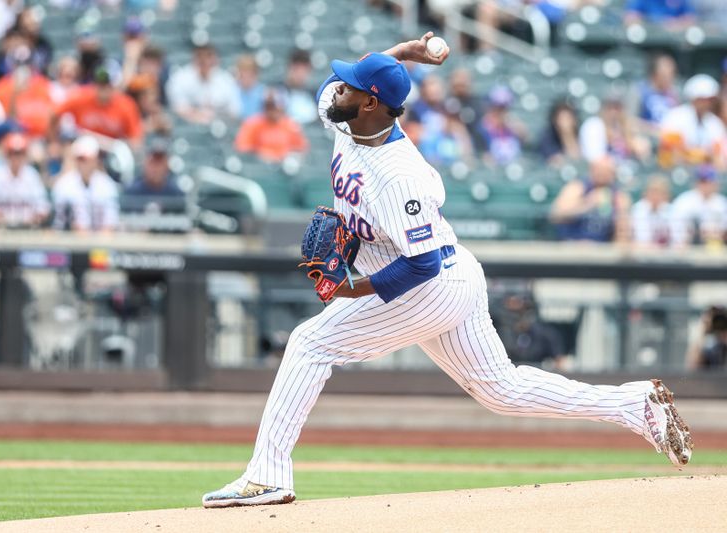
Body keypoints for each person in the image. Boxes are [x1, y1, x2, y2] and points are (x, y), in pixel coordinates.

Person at [202, 33, 693, 509]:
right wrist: (400, 56)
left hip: (432, 285)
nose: (338, 90)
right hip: (452, 274)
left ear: (372, 103)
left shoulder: (400, 176)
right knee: (503, 391)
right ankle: (634, 406)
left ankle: (266, 476)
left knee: (310, 344)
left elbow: (422, 263)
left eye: (351, 85)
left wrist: (354, 290)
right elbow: (332, 91)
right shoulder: (346, 117)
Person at [52, 68, 144, 149]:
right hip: (84, 147)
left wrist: (123, 147)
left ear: (113, 86)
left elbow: (136, 139)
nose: (103, 89)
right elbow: (55, 113)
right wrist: (53, 142)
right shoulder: (81, 96)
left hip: (111, 150)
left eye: (106, 85)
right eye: (100, 85)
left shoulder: (125, 105)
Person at [550, 156, 632, 242]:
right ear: (592, 170)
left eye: (607, 172)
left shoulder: (619, 196)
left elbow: (623, 233)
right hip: (572, 243)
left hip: (601, 248)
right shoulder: (577, 188)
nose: (603, 175)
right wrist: (587, 204)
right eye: (600, 171)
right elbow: (556, 215)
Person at [0, 132, 50, 228]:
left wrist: (30, 220)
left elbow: (43, 208)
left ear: (25, 155)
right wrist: (4, 219)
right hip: (0, 229)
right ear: (6, 154)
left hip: (28, 230)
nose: (16, 157)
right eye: (13, 153)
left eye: (20, 153)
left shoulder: (32, 175)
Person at [52, 135, 119, 232]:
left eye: (86, 159)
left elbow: (110, 223)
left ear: (95, 159)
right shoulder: (63, 185)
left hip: (101, 243)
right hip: (70, 242)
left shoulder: (107, 185)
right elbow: (59, 223)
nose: (82, 163)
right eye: (80, 159)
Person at [659, 74, 726, 169]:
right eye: (702, 99)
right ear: (693, 98)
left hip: (706, 176)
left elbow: (719, 158)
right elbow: (671, 153)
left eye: (710, 100)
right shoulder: (676, 116)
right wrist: (700, 155)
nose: (706, 103)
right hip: (677, 171)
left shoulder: (715, 124)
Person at [165, 43, 241, 124]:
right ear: (194, 58)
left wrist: (213, 115)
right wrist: (198, 115)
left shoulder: (225, 80)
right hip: (189, 124)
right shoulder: (180, 78)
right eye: (200, 56)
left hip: (220, 124)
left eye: (209, 56)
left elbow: (234, 111)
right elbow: (177, 107)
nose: (204, 60)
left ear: (215, 59)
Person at [0, 46, 55, 138]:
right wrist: (15, 92)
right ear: (12, 64)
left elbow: (51, 114)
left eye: (26, 62)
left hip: (39, 136)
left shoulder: (43, 84)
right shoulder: (2, 86)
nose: (23, 67)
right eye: (19, 63)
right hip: (11, 135)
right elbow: (4, 119)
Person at [234, 88, 309, 163]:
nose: (273, 110)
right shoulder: (252, 123)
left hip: (283, 166)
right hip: (259, 166)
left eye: (275, 106)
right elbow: (242, 148)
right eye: (270, 106)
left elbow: (301, 149)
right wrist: (259, 155)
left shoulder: (290, 125)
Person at [579, 95, 650, 163]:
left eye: (617, 108)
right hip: (603, 171)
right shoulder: (594, 125)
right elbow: (595, 159)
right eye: (610, 108)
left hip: (625, 170)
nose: (613, 112)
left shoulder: (624, 126)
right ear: (603, 109)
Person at [669, 165, 727, 246]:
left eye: (709, 182)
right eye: (702, 181)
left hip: (716, 248)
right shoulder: (684, 201)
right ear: (696, 183)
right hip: (687, 247)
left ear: (716, 183)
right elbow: (675, 228)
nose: (706, 185)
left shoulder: (722, 203)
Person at [477, 85, 527, 166]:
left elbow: (525, 140)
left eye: (504, 108)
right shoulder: (482, 129)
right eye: (497, 108)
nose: (501, 112)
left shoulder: (513, 127)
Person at [637, 54, 679, 128]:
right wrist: (654, 129)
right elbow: (629, 120)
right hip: (647, 136)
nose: (669, 78)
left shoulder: (674, 94)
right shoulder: (640, 91)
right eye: (665, 75)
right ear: (654, 74)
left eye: (672, 74)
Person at [631, 175, 672, 247]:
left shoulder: (671, 210)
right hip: (641, 253)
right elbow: (642, 239)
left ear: (666, 195)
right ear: (645, 193)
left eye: (660, 192)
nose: (655, 196)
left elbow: (677, 241)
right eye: (652, 191)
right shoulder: (638, 209)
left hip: (667, 254)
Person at [538, 100, 581, 165]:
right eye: (561, 119)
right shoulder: (548, 140)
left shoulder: (583, 138)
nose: (564, 123)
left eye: (568, 118)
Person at [283, 49, 318, 124]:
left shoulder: (314, 95)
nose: (300, 75)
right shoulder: (277, 92)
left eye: (304, 70)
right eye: (297, 69)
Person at [235, 54, 265, 120]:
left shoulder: (264, 93)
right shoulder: (232, 91)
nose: (245, 76)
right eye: (242, 72)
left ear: (256, 74)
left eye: (249, 73)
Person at [625, 0, 694, 28]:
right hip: (649, 44)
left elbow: (691, 19)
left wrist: (676, 24)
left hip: (675, 44)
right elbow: (630, 18)